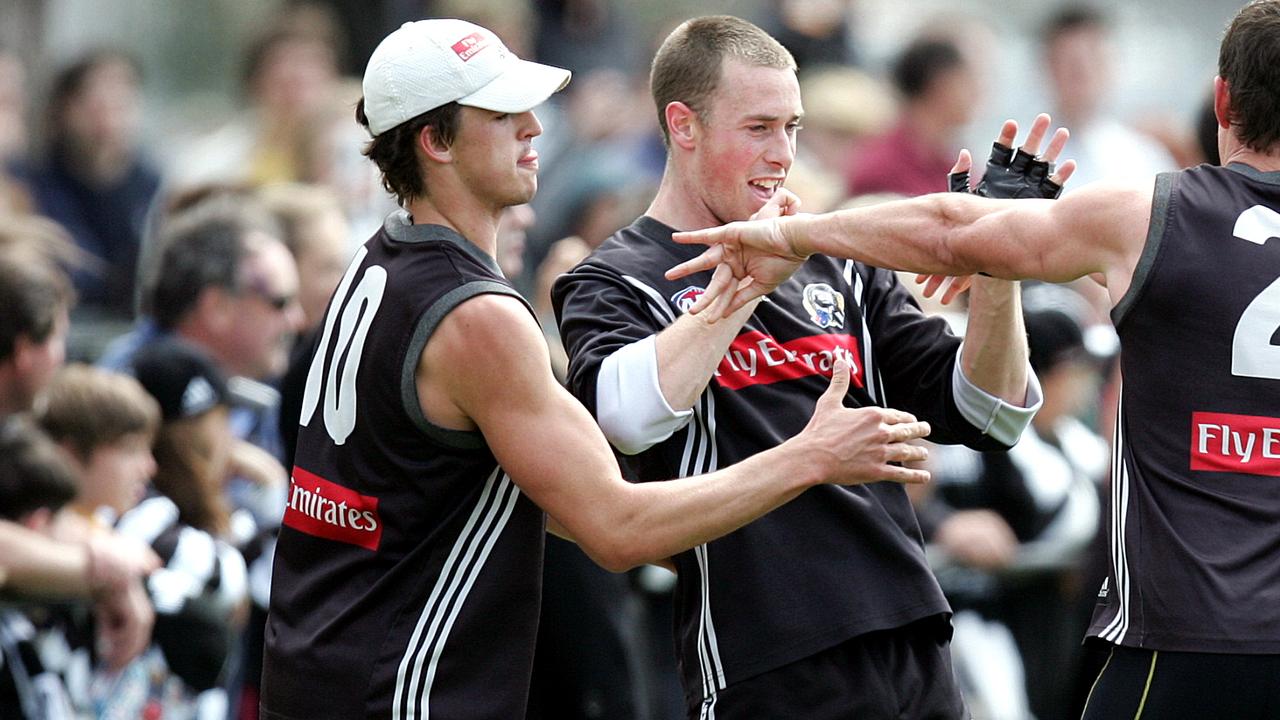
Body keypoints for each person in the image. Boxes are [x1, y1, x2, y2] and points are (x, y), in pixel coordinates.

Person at [260, 18, 933, 720]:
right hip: (399, 691)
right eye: (502, 115)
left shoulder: (378, 260)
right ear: (435, 142)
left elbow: (488, 497)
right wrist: (810, 458)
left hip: (316, 669)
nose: (534, 128)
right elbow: (616, 528)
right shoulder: (479, 317)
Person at [668, 2, 1280, 715]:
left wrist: (797, 234)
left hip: (1183, 645)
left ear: (1222, 99)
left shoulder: (1151, 213)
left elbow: (949, 230)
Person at [551, 16, 1049, 719]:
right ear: (683, 126)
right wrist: (748, 282)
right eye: (758, 128)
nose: (782, 154)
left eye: (793, 127)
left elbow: (989, 413)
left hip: (910, 628)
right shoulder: (616, 278)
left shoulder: (836, 261)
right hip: (764, 652)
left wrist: (1000, 261)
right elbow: (626, 421)